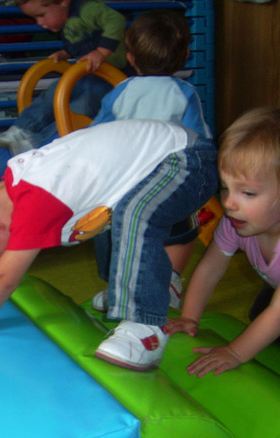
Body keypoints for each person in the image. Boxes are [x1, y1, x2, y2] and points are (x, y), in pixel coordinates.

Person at [0, 119, 218, 371]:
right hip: (159, 162)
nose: (4, 260)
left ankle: (146, 328)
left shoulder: (37, 202)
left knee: (136, 214)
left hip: (187, 160)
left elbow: (4, 277)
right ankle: (160, 285)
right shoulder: (14, 189)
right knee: (118, 216)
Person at [165, 108, 280, 377]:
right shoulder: (237, 220)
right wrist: (190, 317)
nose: (228, 203)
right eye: (225, 186)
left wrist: (235, 352)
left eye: (248, 192)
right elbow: (209, 269)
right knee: (263, 317)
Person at [90, 9, 212, 311]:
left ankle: (120, 288)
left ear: (130, 58)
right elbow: (200, 140)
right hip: (168, 184)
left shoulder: (120, 93)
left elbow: (97, 134)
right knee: (181, 231)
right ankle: (169, 279)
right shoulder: (184, 93)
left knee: (119, 234)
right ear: (185, 54)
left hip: (124, 186)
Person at [0, 0, 128, 155]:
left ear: (63, 2)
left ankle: (37, 143)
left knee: (78, 109)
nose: (40, 23)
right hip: (85, 75)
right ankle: (21, 129)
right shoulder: (66, 19)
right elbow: (81, 41)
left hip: (107, 78)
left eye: (41, 15)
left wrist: (102, 52)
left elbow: (116, 20)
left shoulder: (87, 10)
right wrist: (65, 53)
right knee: (53, 94)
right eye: (35, 19)